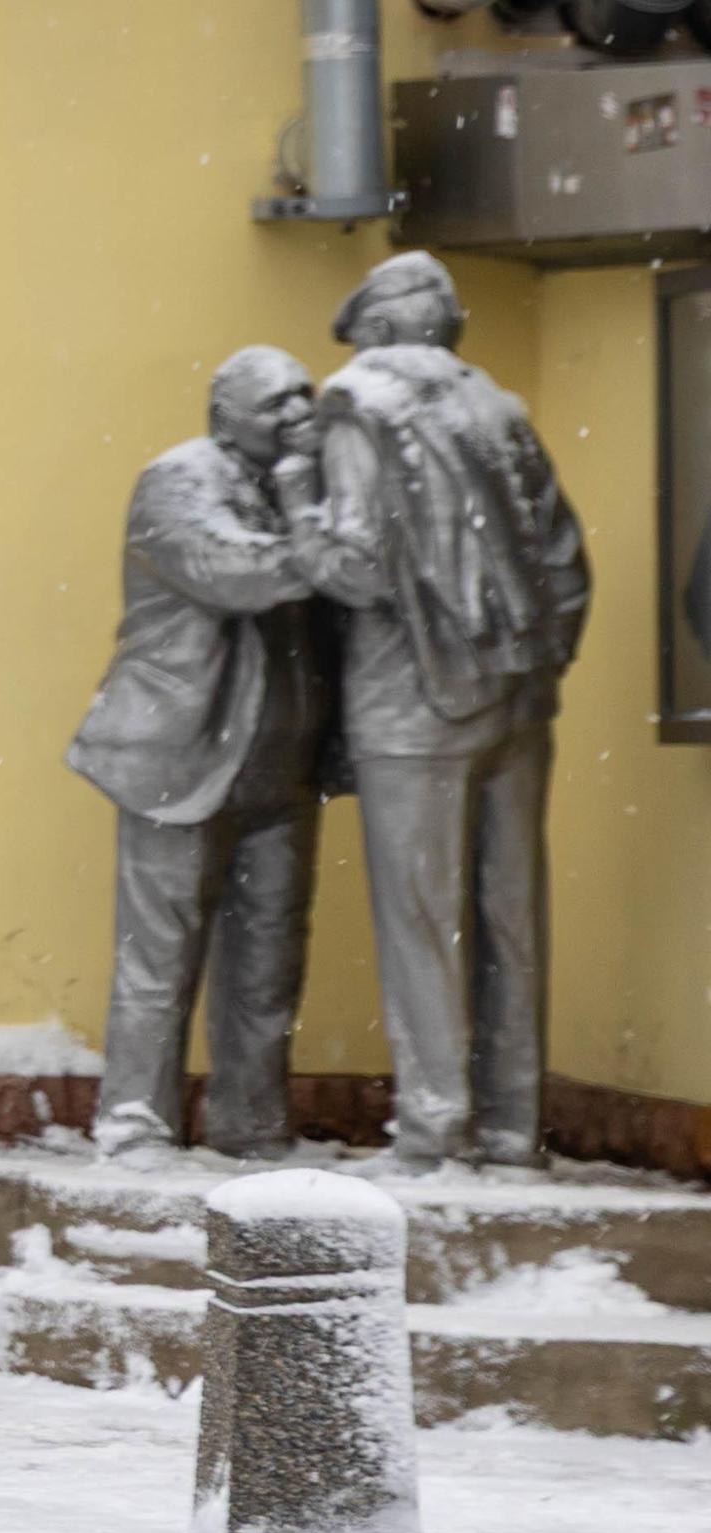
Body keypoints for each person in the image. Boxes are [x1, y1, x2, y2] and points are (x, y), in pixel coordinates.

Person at [305, 252, 589, 1169]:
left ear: (381, 329)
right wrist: (533, 665)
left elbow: (359, 565)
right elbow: (566, 560)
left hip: (410, 697)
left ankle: (433, 1128)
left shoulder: (357, 404)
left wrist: (297, 520)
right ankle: (510, 1124)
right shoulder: (500, 408)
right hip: (518, 699)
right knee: (510, 915)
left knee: (422, 917)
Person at [65, 347, 335, 1157]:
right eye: (275, 403)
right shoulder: (178, 479)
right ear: (224, 416)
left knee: (269, 964)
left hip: (282, 766)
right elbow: (236, 572)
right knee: (160, 957)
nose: (297, 414)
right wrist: (315, 523)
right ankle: (136, 1122)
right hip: (179, 760)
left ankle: (252, 1122)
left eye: (304, 396)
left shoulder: (302, 488)